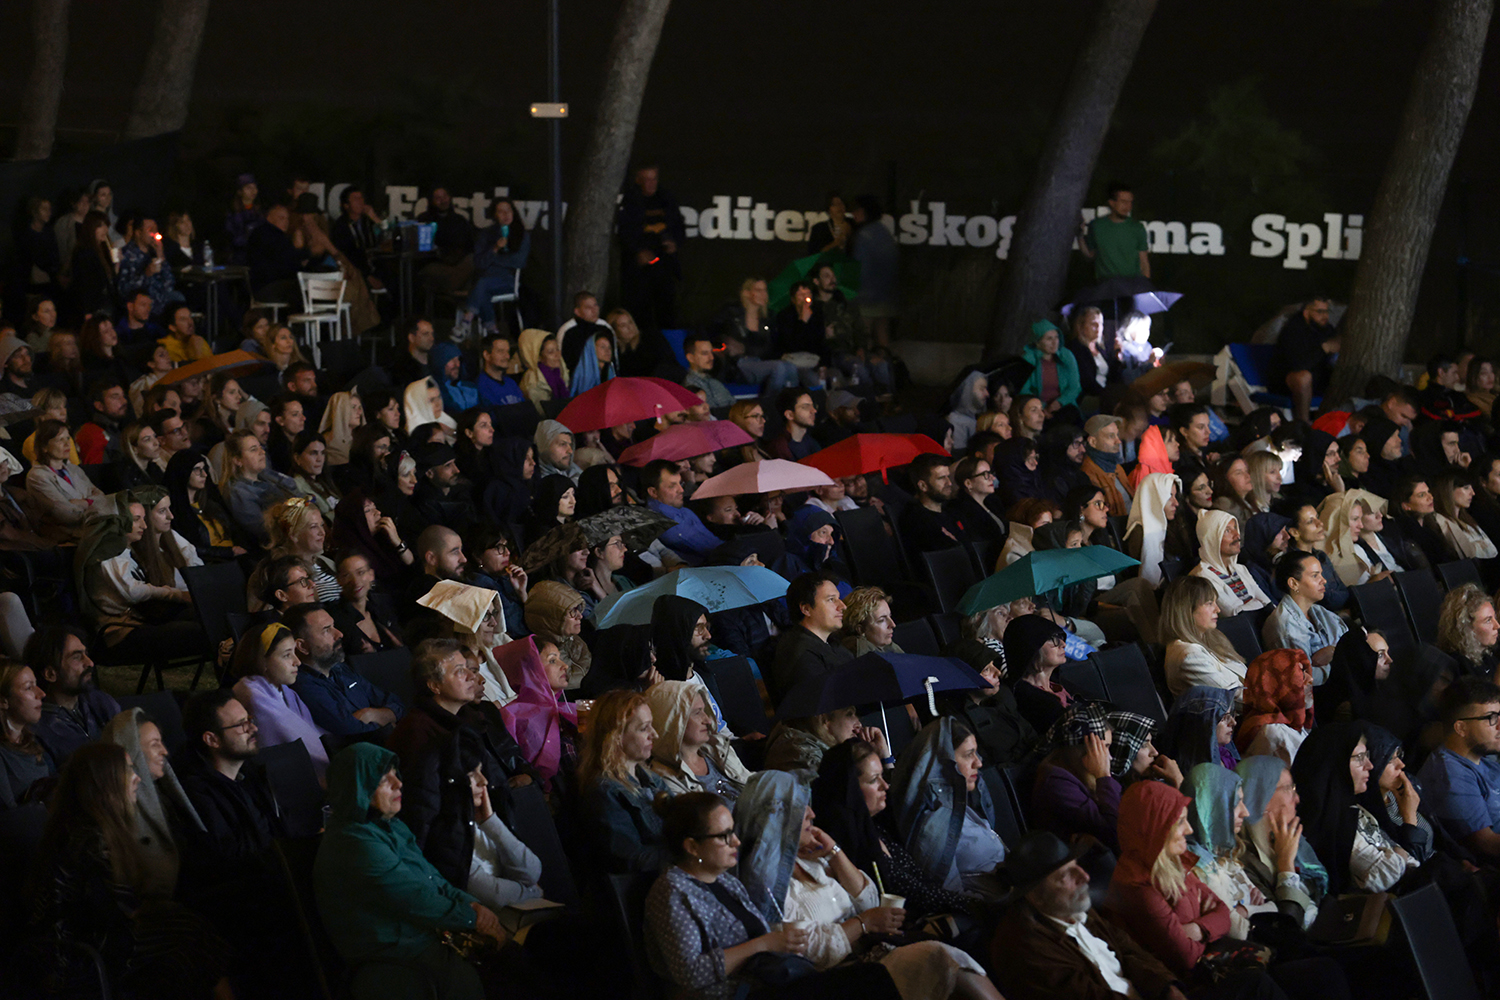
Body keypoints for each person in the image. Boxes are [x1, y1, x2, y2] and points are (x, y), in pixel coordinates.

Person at [734, 770, 999, 1000]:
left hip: (874, 954)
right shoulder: (764, 886)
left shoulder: (811, 860)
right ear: (780, 820)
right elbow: (802, 946)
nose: (814, 815)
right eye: (804, 815)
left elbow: (869, 900)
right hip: (839, 978)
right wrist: (863, 924)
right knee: (942, 957)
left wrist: (835, 853)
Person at [27, 742, 232, 999]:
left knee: (190, 927)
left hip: (96, 938)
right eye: (127, 770)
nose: (136, 777)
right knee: (188, 939)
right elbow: (117, 916)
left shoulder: (86, 825)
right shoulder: (88, 841)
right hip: (77, 958)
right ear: (106, 782)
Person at [314, 744, 506, 1000]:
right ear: (357, 788)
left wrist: (475, 906)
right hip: (395, 957)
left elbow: (433, 879)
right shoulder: (353, 843)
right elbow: (415, 899)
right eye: (384, 779)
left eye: (395, 772)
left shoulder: (389, 826)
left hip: (423, 938)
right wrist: (475, 919)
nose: (398, 783)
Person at [989, 830, 1184, 1000]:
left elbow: (1128, 950)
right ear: (1034, 896)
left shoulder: (1072, 909)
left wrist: (1167, 988)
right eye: (1065, 875)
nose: (1085, 876)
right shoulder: (1023, 948)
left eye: (1076, 865)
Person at [1291, 722, 1415, 895]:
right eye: (1359, 758)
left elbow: (1406, 860)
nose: (1370, 766)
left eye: (1368, 756)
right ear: (1337, 764)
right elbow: (1384, 874)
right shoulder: (1332, 820)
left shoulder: (1354, 807)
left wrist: (1398, 855)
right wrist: (1399, 854)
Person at [576, 687, 672, 873]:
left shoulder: (651, 779)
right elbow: (631, 859)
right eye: (644, 728)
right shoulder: (603, 791)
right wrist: (691, 855)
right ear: (615, 737)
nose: (655, 734)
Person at [231, 621, 330, 780]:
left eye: (295, 653)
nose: (297, 662)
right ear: (261, 661)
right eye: (286, 655)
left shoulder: (286, 692)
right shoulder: (254, 697)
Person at [286, 602, 402, 736]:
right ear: (302, 646)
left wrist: (369, 714)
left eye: (334, 626)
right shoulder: (304, 686)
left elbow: (396, 703)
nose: (339, 634)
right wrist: (388, 723)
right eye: (326, 630)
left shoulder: (340, 669)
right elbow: (353, 732)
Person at [1417, 676, 1500, 861]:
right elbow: (1486, 844)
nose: (1499, 725)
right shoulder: (1451, 775)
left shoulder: (1481, 759)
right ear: (1461, 728)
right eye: (1491, 718)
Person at [1029, 702, 1124, 853]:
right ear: (1082, 750)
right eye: (1104, 748)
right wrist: (1103, 776)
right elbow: (1115, 833)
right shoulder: (1057, 783)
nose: (1109, 757)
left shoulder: (1075, 774)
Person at [495, 635, 580, 791]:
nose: (565, 666)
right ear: (531, 669)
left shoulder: (570, 710)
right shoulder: (510, 716)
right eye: (553, 661)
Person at [27, 623, 121, 765]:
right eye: (77, 657)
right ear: (50, 674)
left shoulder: (100, 701)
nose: (89, 663)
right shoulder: (39, 731)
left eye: (86, 654)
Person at [646, 680, 750, 799]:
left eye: (704, 711)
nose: (708, 720)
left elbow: (752, 785)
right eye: (697, 713)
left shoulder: (718, 747)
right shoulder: (664, 781)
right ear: (671, 722)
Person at [618, 165, 686, 331]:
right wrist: (637, 252)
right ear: (638, 180)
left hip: (664, 265)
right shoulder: (630, 201)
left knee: (667, 312)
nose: (651, 183)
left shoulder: (667, 199)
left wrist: (674, 244)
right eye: (646, 179)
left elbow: (679, 228)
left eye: (653, 178)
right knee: (640, 313)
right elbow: (623, 234)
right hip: (639, 271)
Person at [1261, 551, 1347, 680]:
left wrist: (1334, 652)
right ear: (1294, 584)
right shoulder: (1286, 625)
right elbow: (1303, 677)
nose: (1323, 581)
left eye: (1321, 574)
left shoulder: (1319, 611)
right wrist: (1344, 664)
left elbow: (1350, 643)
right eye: (1314, 576)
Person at [771, 572, 853, 702]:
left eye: (839, 598)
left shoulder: (831, 642)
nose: (842, 606)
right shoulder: (800, 653)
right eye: (831, 600)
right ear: (806, 609)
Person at [26, 418, 110, 541]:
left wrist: (84, 503)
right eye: (60, 440)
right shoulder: (37, 476)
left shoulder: (74, 469)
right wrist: (94, 504)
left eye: (68, 438)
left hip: (93, 529)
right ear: (44, 446)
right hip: (68, 536)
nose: (67, 444)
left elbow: (102, 497)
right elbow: (66, 515)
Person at [219, 429, 298, 544]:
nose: (262, 452)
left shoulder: (267, 475)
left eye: (260, 447)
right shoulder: (238, 492)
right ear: (237, 460)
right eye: (253, 450)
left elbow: (296, 492)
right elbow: (263, 530)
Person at [1237, 648, 1315, 764]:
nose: (1311, 680)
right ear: (1276, 684)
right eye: (1300, 675)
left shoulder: (1290, 721)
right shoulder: (1272, 732)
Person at [1190, 510, 1272, 617]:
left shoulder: (1241, 569)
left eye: (1235, 528)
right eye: (1227, 531)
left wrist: (1255, 606)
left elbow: (1269, 604)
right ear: (1212, 539)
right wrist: (1259, 604)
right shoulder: (1203, 576)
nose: (1237, 535)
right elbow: (1234, 613)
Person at [1005, 613, 1077, 733]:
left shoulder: (1060, 684)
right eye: (1051, 639)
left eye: (1060, 637)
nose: (1063, 644)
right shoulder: (1027, 699)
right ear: (1031, 647)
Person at [1270, 297, 1339, 423]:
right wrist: (1324, 348)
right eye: (1319, 312)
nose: (1325, 316)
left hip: (1317, 381)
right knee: (1303, 377)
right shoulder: (1293, 330)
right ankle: (1303, 423)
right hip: (1286, 382)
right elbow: (1298, 364)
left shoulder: (1326, 329)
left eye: (1326, 312)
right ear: (1306, 313)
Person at [0, 661, 54, 809]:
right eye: (29, 687)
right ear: (3, 701)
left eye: (36, 685)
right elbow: (9, 817)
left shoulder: (32, 739)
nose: (41, 694)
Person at [1161, 685, 1241, 774]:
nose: (1233, 723)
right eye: (1223, 718)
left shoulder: (1225, 755)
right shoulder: (1191, 774)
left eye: (1232, 715)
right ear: (1202, 724)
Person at [1078, 182, 1150, 280]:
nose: (1128, 207)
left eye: (1130, 202)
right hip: (1106, 286)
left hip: (1131, 285)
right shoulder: (1097, 226)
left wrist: (1144, 287)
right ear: (1112, 203)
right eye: (1124, 202)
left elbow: (1144, 262)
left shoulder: (1137, 228)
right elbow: (1090, 256)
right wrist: (1080, 237)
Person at [897, 452, 962, 554]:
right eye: (941, 478)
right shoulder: (916, 519)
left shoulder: (951, 511)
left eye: (948, 476)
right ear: (923, 486)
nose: (949, 483)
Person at [1018, 320, 1081, 420]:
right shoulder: (1029, 359)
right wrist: (1042, 408)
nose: (1054, 342)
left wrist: (1059, 402)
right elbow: (1024, 391)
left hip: (1064, 405)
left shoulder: (1066, 356)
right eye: (1049, 338)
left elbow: (1075, 387)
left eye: (1056, 337)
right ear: (1038, 342)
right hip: (1038, 407)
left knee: (1070, 417)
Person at [1437, 582, 1499, 679]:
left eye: (1495, 618)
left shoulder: (1487, 657)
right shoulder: (1460, 669)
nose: (1497, 626)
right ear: (1466, 627)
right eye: (1488, 620)